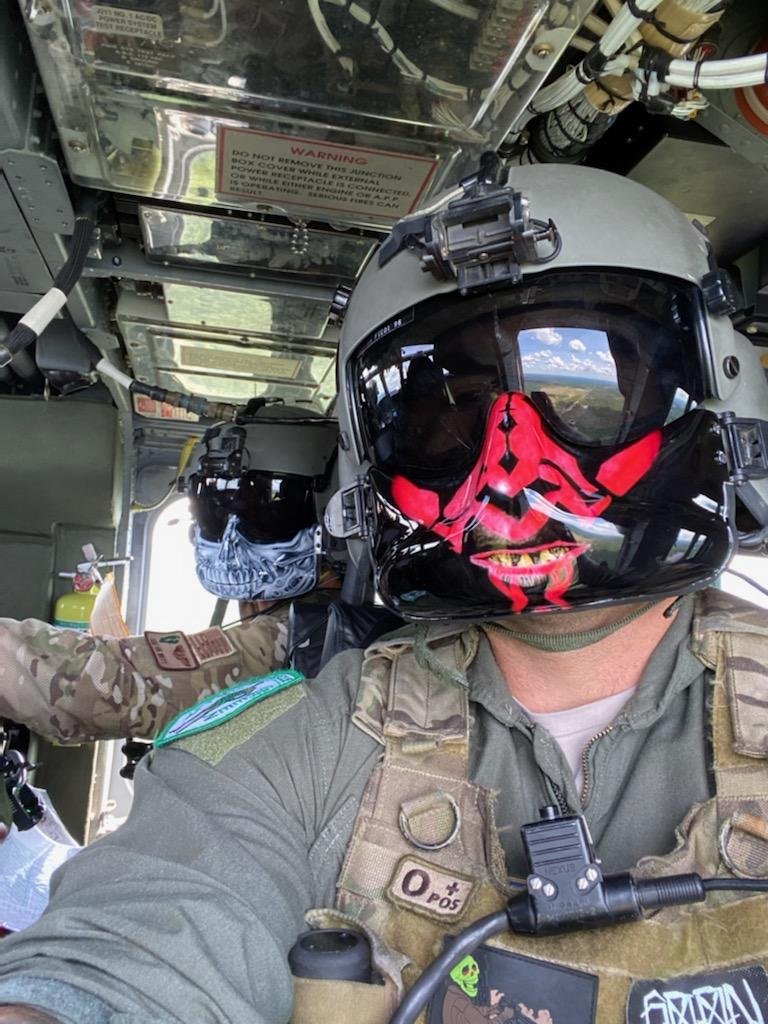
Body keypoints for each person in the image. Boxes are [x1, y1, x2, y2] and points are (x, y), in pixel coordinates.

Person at [0, 162, 767, 1024]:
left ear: (706, 398)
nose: (511, 474)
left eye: (584, 400)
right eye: (448, 420)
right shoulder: (311, 731)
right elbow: (137, 940)